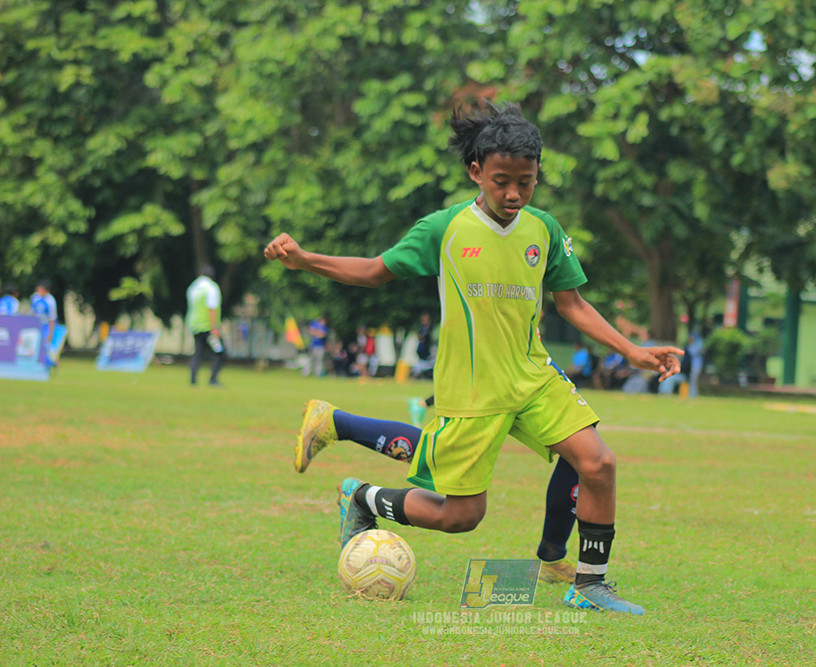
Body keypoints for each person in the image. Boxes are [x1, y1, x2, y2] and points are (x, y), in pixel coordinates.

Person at [264, 101, 682, 614]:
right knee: (461, 517)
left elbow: (571, 303)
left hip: (533, 379)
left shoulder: (545, 230)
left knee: (598, 463)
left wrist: (634, 351)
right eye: (502, 180)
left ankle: (590, 583)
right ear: (476, 172)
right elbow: (374, 270)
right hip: (472, 391)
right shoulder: (444, 229)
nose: (513, 194)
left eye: (525, 182)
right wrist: (306, 260)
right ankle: (362, 497)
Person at [301, 400, 579, 584]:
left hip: (529, 358)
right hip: (498, 361)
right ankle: (344, 444)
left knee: (581, 443)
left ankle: (552, 558)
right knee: (459, 494)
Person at [186, 265, 224, 386]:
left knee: (198, 352)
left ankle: (193, 379)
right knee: (220, 352)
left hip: (194, 326)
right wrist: (214, 328)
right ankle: (213, 379)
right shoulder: (212, 288)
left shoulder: (193, 287)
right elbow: (212, 309)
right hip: (207, 327)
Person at [30, 280, 58, 364]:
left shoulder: (50, 301)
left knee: (46, 345)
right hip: (37, 324)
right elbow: (32, 312)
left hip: (46, 325)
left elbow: (52, 319)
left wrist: (50, 333)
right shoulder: (35, 297)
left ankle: (51, 361)